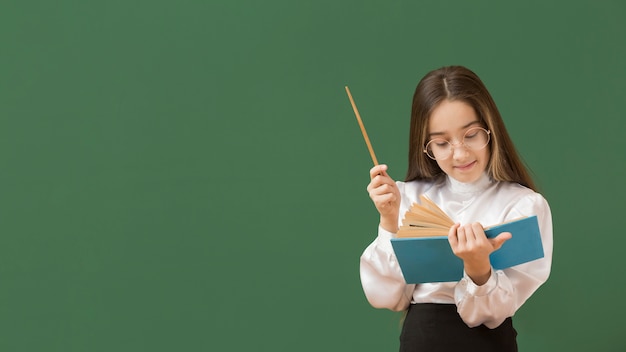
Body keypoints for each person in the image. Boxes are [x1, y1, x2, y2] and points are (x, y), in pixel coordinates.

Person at [360, 65, 553, 351]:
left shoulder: (523, 205)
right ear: (426, 146)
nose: (460, 154)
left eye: (472, 135)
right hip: (421, 340)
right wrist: (389, 221)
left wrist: (479, 270)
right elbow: (388, 297)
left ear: (491, 129)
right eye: (441, 143)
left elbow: (495, 313)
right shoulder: (407, 197)